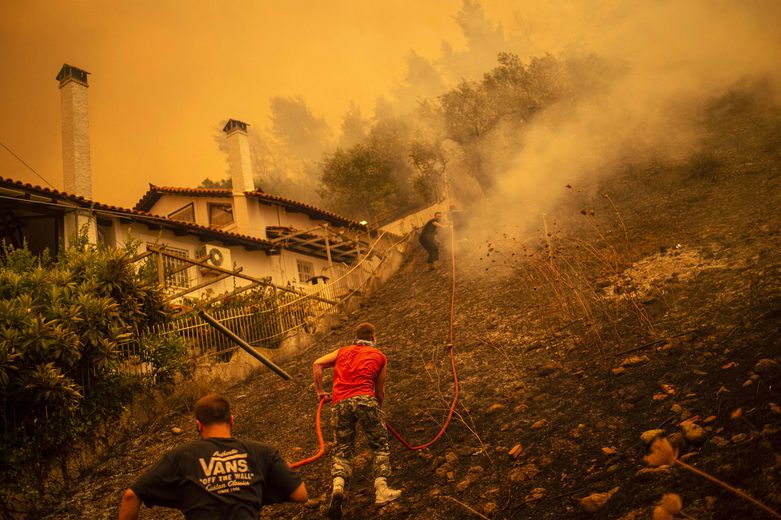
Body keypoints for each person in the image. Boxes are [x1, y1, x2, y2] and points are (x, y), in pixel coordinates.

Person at [118, 393, 307, 520]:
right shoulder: (264, 452)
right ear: (231, 421)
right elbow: (300, 495)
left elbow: (130, 496)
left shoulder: (181, 456)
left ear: (198, 425)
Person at [312, 322, 401, 519]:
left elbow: (317, 363)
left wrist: (320, 391)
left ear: (356, 337)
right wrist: (376, 408)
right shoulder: (379, 356)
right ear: (374, 338)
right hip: (365, 401)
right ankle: (381, 490)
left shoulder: (343, 351)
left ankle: (337, 490)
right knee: (379, 446)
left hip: (340, 403)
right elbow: (379, 391)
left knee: (342, 450)